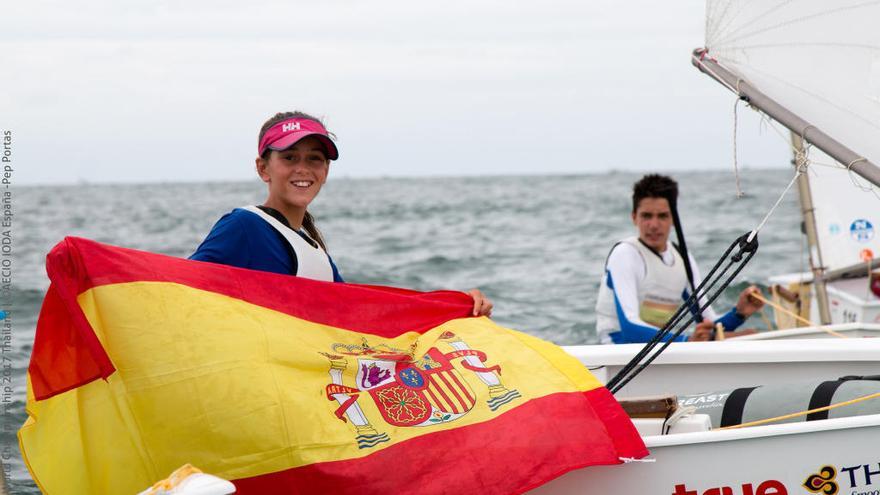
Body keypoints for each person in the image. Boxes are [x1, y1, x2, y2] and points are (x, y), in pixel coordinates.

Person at [191, 111, 493, 316]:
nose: (303, 169)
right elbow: (177, 291)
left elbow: (358, 313)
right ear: (263, 168)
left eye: (315, 159)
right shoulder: (245, 226)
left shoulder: (314, 250)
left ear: (326, 170)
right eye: (289, 157)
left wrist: (453, 306)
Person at [595, 174, 763, 344]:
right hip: (617, 354)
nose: (653, 225)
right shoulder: (624, 254)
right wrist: (685, 341)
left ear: (674, 219)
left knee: (751, 336)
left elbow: (708, 324)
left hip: (658, 353)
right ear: (634, 217)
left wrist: (739, 313)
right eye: (646, 216)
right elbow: (630, 329)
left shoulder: (682, 258)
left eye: (662, 216)